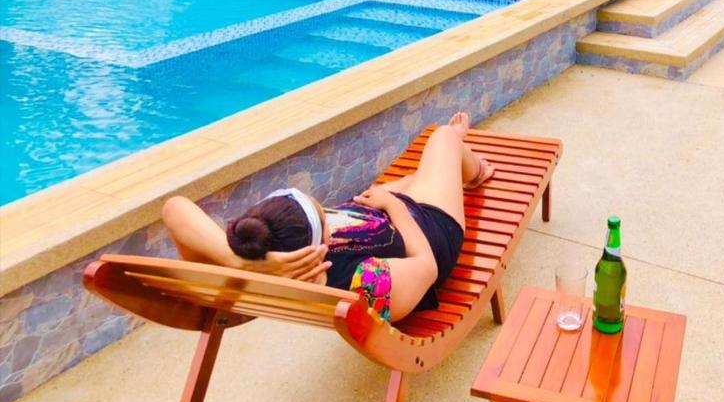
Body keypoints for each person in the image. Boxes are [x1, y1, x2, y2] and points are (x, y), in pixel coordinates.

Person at [161, 112, 494, 323]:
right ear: (323, 242)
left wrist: (238, 262)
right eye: (323, 212)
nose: (325, 207)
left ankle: (448, 165)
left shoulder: (254, 249)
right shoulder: (362, 279)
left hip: (377, 214)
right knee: (442, 138)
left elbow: (173, 207)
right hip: (427, 229)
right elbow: (427, 266)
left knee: (424, 170)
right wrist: (394, 206)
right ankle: (476, 169)